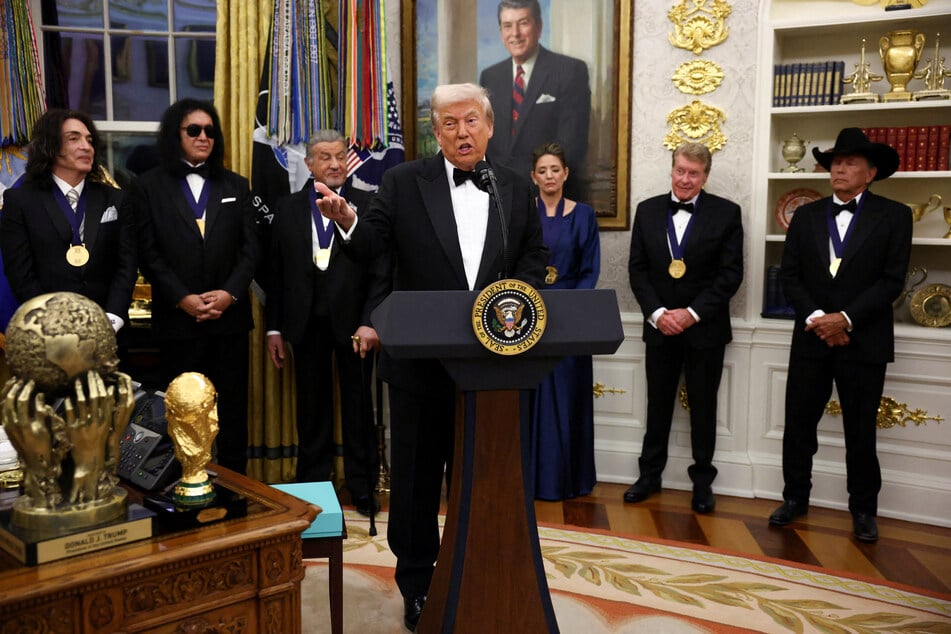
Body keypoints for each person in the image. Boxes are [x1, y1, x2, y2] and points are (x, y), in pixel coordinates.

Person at [315, 83, 548, 632]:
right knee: (417, 486)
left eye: (470, 121)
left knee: (487, 480)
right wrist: (347, 217)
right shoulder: (402, 183)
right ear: (435, 132)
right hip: (420, 368)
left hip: (493, 368)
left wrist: (518, 300)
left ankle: (487, 575)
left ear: (490, 126)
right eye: (448, 123)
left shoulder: (515, 187)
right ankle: (419, 586)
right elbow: (370, 241)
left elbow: (533, 257)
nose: (461, 132)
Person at [769, 128, 912, 543]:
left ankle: (864, 509)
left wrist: (845, 319)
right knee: (799, 427)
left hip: (862, 341)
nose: (839, 169)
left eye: (850, 163)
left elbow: (891, 282)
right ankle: (795, 498)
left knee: (860, 431)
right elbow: (790, 276)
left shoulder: (895, 215)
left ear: (870, 173)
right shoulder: (807, 215)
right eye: (834, 162)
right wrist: (819, 319)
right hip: (812, 338)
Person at [125, 98, 261, 475]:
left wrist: (229, 294)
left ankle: (236, 489)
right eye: (194, 130)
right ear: (176, 134)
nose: (204, 137)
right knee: (182, 412)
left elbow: (250, 251)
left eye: (210, 131)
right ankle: (182, 483)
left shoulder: (236, 184)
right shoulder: (147, 187)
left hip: (229, 322)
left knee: (232, 411)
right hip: (177, 321)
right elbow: (147, 252)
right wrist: (181, 297)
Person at [265, 129, 389, 515]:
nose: (334, 164)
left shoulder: (370, 205)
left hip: (355, 327)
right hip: (303, 325)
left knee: (358, 408)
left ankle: (363, 488)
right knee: (311, 411)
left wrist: (371, 321)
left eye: (340, 156)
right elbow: (276, 274)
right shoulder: (286, 209)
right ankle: (313, 491)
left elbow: (380, 271)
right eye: (325, 157)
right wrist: (274, 327)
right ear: (310, 164)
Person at [625, 142, 743, 515]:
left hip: (704, 330)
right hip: (660, 328)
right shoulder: (647, 211)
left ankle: (702, 482)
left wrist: (691, 313)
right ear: (671, 169)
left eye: (693, 173)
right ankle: (649, 476)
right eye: (680, 171)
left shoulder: (727, 213)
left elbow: (730, 276)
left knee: (703, 408)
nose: (685, 179)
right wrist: (660, 314)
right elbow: (637, 270)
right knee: (656, 405)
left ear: (705, 176)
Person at [0, 109, 137, 334]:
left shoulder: (116, 198)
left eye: (89, 140)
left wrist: (111, 319)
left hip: (110, 332)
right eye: (74, 138)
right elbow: (20, 272)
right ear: (50, 146)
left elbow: (127, 264)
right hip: (46, 335)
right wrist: (51, 323)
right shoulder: (20, 201)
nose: (86, 146)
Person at [528, 142, 600, 500]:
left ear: (566, 173)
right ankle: (535, 479)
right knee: (534, 399)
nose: (549, 176)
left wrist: (572, 310)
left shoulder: (584, 215)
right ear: (533, 177)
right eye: (542, 170)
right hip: (530, 319)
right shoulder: (524, 213)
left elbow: (590, 270)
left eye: (555, 169)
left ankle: (571, 479)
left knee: (570, 398)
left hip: (570, 321)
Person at [479, 0, 590, 200]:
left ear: (538, 27)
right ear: (500, 31)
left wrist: (527, 188)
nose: (515, 33)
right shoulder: (490, 77)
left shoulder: (570, 71)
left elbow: (571, 146)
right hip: (499, 200)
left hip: (550, 200)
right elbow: (488, 146)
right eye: (507, 26)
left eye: (523, 23)